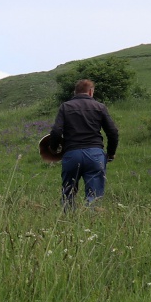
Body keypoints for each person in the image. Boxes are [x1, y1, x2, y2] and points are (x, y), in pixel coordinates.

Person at [49, 78, 119, 208]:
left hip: (72, 154)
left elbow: (56, 131)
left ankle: (67, 217)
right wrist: (111, 153)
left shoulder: (65, 107)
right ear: (91, 92)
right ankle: (90, 217)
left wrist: (53, 148)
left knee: (68, 194)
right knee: (94, 196)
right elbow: (113, 132)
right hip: (95, 154)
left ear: (75, 92)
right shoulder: (100, 107)